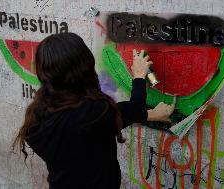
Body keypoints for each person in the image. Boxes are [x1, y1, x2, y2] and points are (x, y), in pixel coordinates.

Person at [12, 32, 175, 189]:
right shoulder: (93, 113)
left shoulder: (39, 113)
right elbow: (133, 109)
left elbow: (105, 123)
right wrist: (139, 75)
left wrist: (150, 114)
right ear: (84, 67)